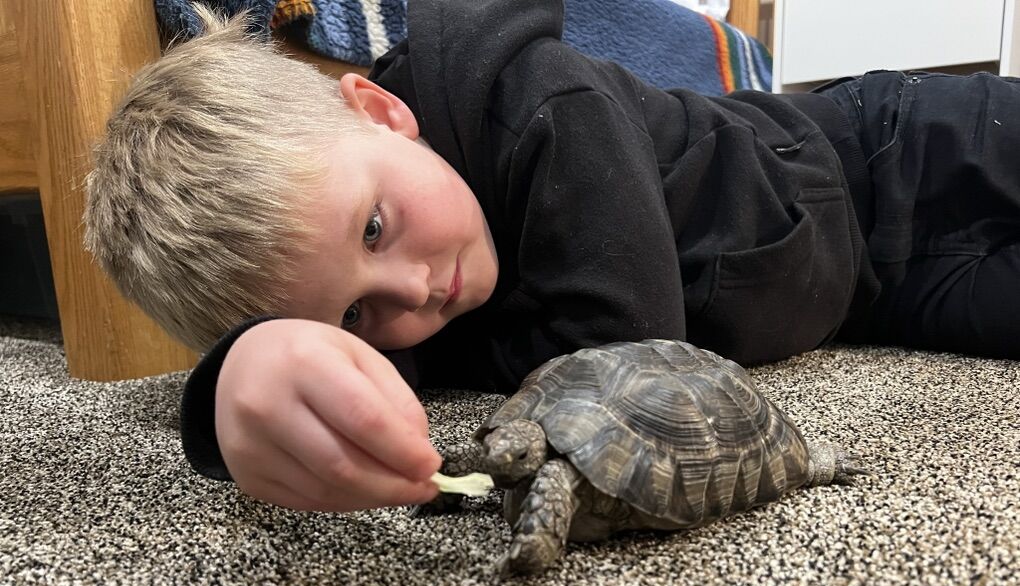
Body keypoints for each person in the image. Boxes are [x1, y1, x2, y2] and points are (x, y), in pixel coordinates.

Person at [84, 0, 1020, 514]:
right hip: (882, 298)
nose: (414, 291)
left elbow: (628, 347)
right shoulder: (408, 287)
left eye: (373, 228)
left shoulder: (533, 99)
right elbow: (332, 393)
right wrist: (245, 375)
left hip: (896, 150)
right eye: (354, 319)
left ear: (381, 112)